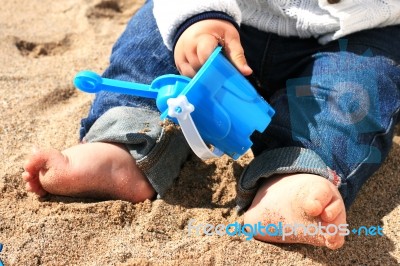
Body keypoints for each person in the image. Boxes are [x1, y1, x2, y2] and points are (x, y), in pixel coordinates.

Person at [22, 0, 400, 249]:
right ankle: (124, 142)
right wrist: (198, 17)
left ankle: (296, 171)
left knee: (357, 88)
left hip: (354, 32)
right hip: (225, 16)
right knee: (152, 45)